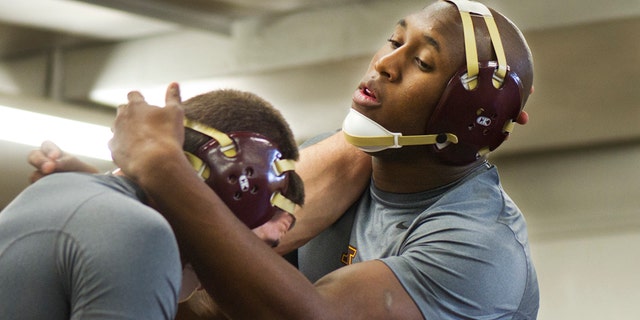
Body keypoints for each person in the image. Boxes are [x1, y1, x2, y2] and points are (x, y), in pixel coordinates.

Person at [28, 1, 539, 318]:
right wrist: (121, 213)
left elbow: (305, 317)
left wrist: (161, 168)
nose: (385, 63)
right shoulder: (349, 163)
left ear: (470, 117)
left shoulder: (478, 245)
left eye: (421, 61)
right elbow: (219, 298)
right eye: (394, 40)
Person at [0, 89, 305, 320]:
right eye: (260, 246)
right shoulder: (140, 233)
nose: (254, 269)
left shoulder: (59, 189)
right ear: (234, 189)